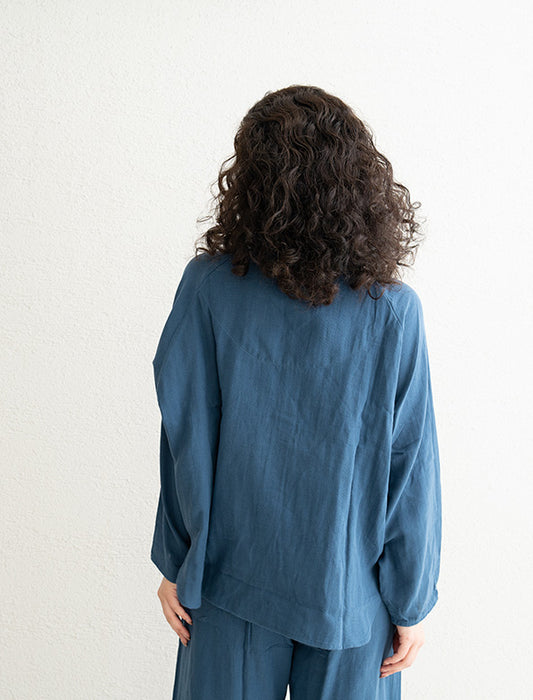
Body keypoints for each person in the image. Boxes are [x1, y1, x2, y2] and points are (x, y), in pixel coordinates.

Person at [150, 85, 442, 699]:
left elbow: (185, 432)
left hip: (229, 584)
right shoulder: (392, 311)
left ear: (252, 182)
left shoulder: (208, 287)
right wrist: (410, 600)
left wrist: (178, 560)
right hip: (348, 598)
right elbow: (410, 469)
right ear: (359, 183)